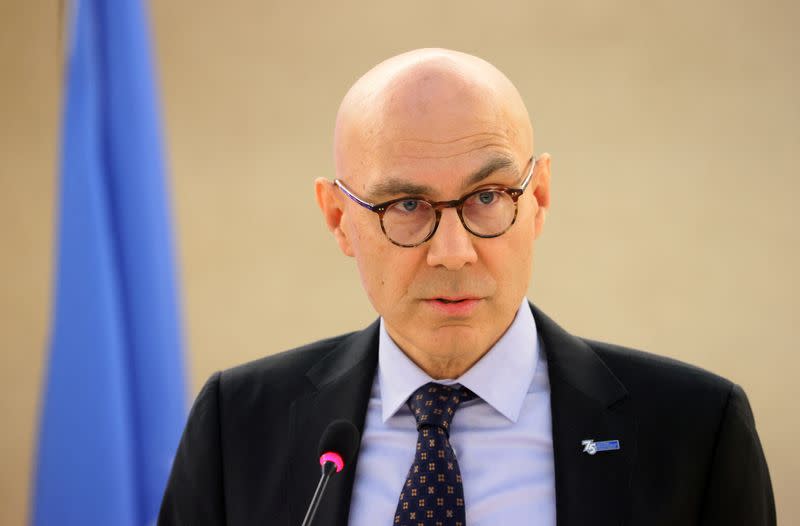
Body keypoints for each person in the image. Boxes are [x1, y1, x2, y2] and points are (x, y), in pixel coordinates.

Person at [158, 48, 775, 525]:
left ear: (538, 199)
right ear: (339, 219)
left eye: (487, 197)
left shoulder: (694, 430)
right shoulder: (236, 426)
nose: (452, 253)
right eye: (405, 204)